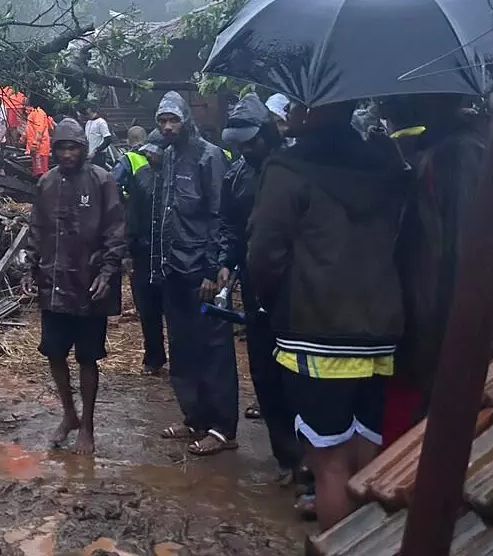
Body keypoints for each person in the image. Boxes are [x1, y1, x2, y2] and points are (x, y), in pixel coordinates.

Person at [247, 101, 410, 531]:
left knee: (329, 466)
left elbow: (264, 252)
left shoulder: (288, 168)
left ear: (310, 109)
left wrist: (273, 300)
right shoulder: (387, 160)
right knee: (365, 453)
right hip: (379, 328)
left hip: (314, 329)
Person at [26, 118, 126, 455]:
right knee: (53, 351)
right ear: (53, 151)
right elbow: (37, 228)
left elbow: (116, 231)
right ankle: (68, 414)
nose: (67, 154)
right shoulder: (46, 183)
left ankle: (88, 425)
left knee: (87, 357)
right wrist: (31, 266)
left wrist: (108, 272)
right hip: (54, 283)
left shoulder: (102, 181)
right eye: (61, 148)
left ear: (84, 149)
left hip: (88, 283)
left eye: (73, 147)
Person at [150, 90, 240, 457]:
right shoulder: (168, 157)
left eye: (173, 120)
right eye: (162, 121)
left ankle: (223, 428)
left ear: (187, 120)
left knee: (214, 350)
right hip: (173, 269)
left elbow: (219, 215)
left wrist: (210, 268)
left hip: (201, 272)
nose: (168, 126)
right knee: (182, 347)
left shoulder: (209, 156)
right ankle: (195, 418)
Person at [219, 94, 300, 486]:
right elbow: (231, 227)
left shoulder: (297, 165)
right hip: (255, 288)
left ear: (268, 134)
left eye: (252, 141)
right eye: (240, 144)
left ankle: (311, 459)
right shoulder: (237, 175)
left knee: (299, 376)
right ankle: (286, 457)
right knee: (265, 374)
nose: (246, 149)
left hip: (298, 287)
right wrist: (223, 262)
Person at [113, 131, 165, 375]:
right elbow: (131, 217)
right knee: (147, 308)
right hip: (143, 250)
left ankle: (182, 361)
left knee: (174, 310)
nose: (150, 155)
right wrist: (126, 252)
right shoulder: (140, 176)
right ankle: (153, 357)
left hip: (171, 253)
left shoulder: (179, 175)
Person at [24, 104, 55, 177]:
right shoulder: (33, 113)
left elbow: (39, 131)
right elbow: (28, 129)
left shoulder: (38, 113)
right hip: (36, 147)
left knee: (41, 171)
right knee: (38, 170)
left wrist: (35, 146)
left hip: (39, 148)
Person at [83, 102, 114, 168]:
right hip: (89, 155)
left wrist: (96, 150)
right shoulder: (88, 122)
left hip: (99, 155)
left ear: (90, 109)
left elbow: (108, 139)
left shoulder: (101, 122)